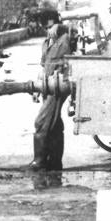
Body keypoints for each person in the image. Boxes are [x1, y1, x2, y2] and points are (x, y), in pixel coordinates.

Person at [30, 23, 73, 170]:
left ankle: (39, 162)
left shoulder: (65, 39)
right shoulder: (46, 42)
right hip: (47, 86)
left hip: (58, 87)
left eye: (50, 26)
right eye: (46, 27)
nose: (48, 30)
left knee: (41, 122)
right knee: (54, 124)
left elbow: (72, 31)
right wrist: (38, 88)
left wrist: (60, 26)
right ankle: (54, 162)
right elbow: (44, 66)